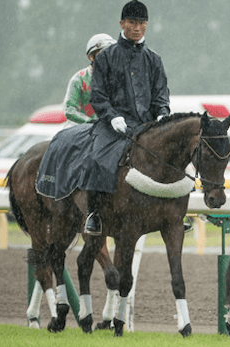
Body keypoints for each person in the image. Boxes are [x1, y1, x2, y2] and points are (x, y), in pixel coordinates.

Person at [85, 0, 170, 235]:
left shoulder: (154, 60)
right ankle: (94, 214)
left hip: (147, 125)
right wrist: (112, 117)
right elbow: (98, 95)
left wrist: (163, 113)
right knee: (97, 159)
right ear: (122, 23)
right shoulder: (106, 57)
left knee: (175, 155)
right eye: (132, 22)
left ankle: (173, 213)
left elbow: (161, 94)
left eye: (142, 23)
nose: (137, 27)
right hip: (113, 126)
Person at [63, 33, 116, 125]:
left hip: (111, 126)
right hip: (80, 128)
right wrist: (90, 121)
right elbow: (69, 110)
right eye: (104, 53)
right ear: (92, 57)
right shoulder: (79, 79)